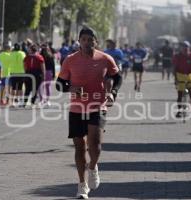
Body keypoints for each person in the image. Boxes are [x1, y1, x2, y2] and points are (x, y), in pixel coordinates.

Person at [56, 27, 122, 199]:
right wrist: (71, 88)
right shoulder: (70, 60)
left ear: (96, 41)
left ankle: (93, 167)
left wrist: (113, 93)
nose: (87, 42)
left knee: (95, 145)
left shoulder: (105, 58)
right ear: (79, 41)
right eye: (83, 39)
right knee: (79, 147)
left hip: (97, 106)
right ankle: (81, 185)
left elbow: (117, 77)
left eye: (90, 39)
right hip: (77, 108)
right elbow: (59, 84)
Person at [173, 41, 191, 123]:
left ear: (189, 48)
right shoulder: (177, 56)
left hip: (189, 75)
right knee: (180, 94)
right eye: (183, 47)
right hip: (180, 75)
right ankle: (180, 110)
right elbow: (174, 68)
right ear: (180, 48)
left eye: (186, 47)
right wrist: (175, 79)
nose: (185, 49)